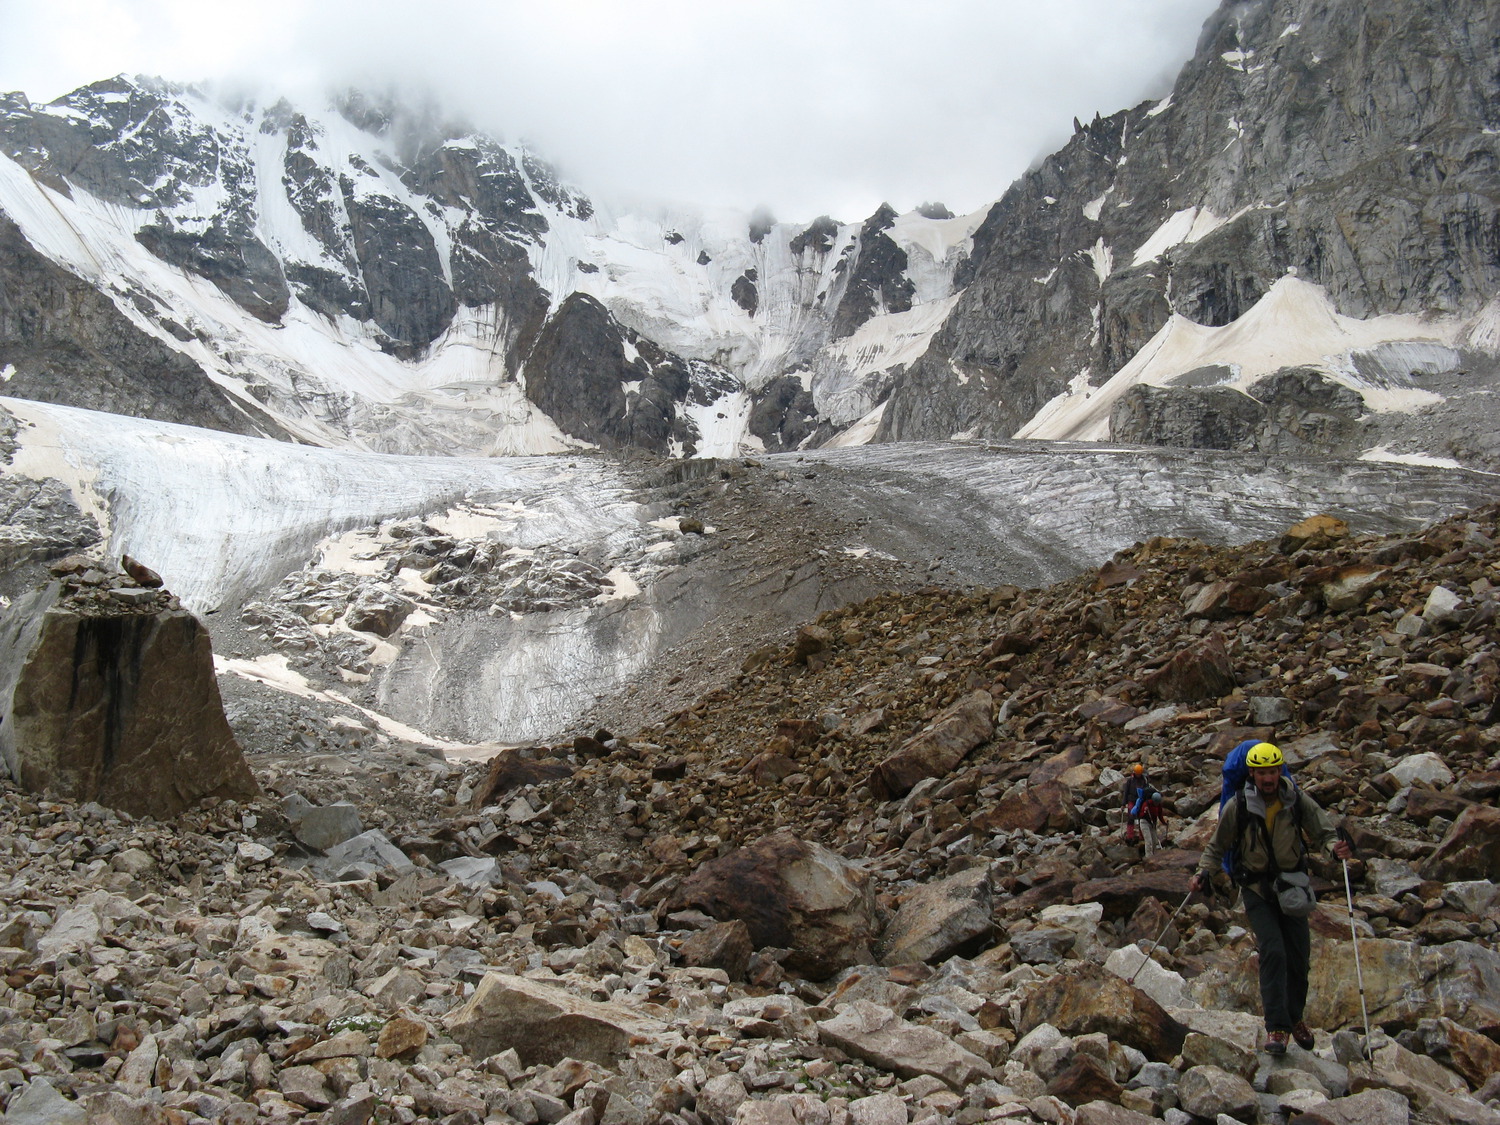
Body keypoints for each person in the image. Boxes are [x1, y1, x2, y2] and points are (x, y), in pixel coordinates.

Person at [1189, 742, 1353, 1055]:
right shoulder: (1238, 806)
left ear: (1280, 771)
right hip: (1256, 890)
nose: (1268, 778)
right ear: (1252, 773)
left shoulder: (1295, 800)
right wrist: (1203, 873)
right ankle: (1277, 1028)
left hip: (1292, 888)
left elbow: (1324, 832)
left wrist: (1335, 849)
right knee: (1274, 951)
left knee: (1299, 956)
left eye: (1273, 771)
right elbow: (1216, 845)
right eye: (1263, 772)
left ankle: (1295, 1018)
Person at [1121, 764, 1152, 844]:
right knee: (1131, 818)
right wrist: (1123, 804)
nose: (1138, 774)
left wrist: (1147, 803)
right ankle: (1130, 836)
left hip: (1141, 801)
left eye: (1139, 773)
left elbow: (1146, 791)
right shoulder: (1130, 781)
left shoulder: (1144, 780)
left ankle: (1142, 836)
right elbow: (1126, 792)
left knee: (1141, 818)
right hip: (1131, 800)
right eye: (1137, 773)